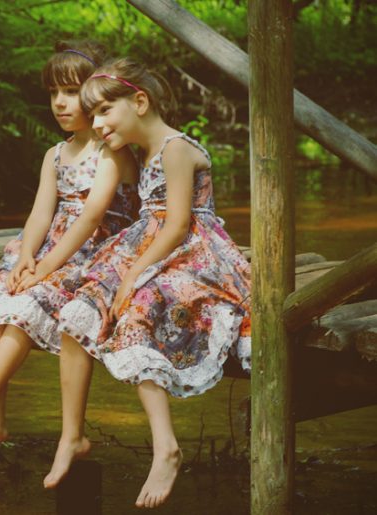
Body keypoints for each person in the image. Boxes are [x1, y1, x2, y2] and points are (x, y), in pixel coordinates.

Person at [47, 57, 251, 508]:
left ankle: (166, 448)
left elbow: (178, 225)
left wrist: (135, 274)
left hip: (191, 252)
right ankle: (71, 435)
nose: (96, 123)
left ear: (139, 101)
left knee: (136, 311)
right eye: (92, 114)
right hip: (146, 243)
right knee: (77, 312)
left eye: (104, 111)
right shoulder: (140, 153)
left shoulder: (176, 148)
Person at [0, 41, 138, 443]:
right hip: (52, 249)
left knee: (28, 302)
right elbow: (41, 213)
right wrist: (25, 257)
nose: (60, 102)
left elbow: (92, 217)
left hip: (96, 251)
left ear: (95, 94)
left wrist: (44, 269)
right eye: (54, 93)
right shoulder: (55, 154)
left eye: (71, 92)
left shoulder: (113, 150)